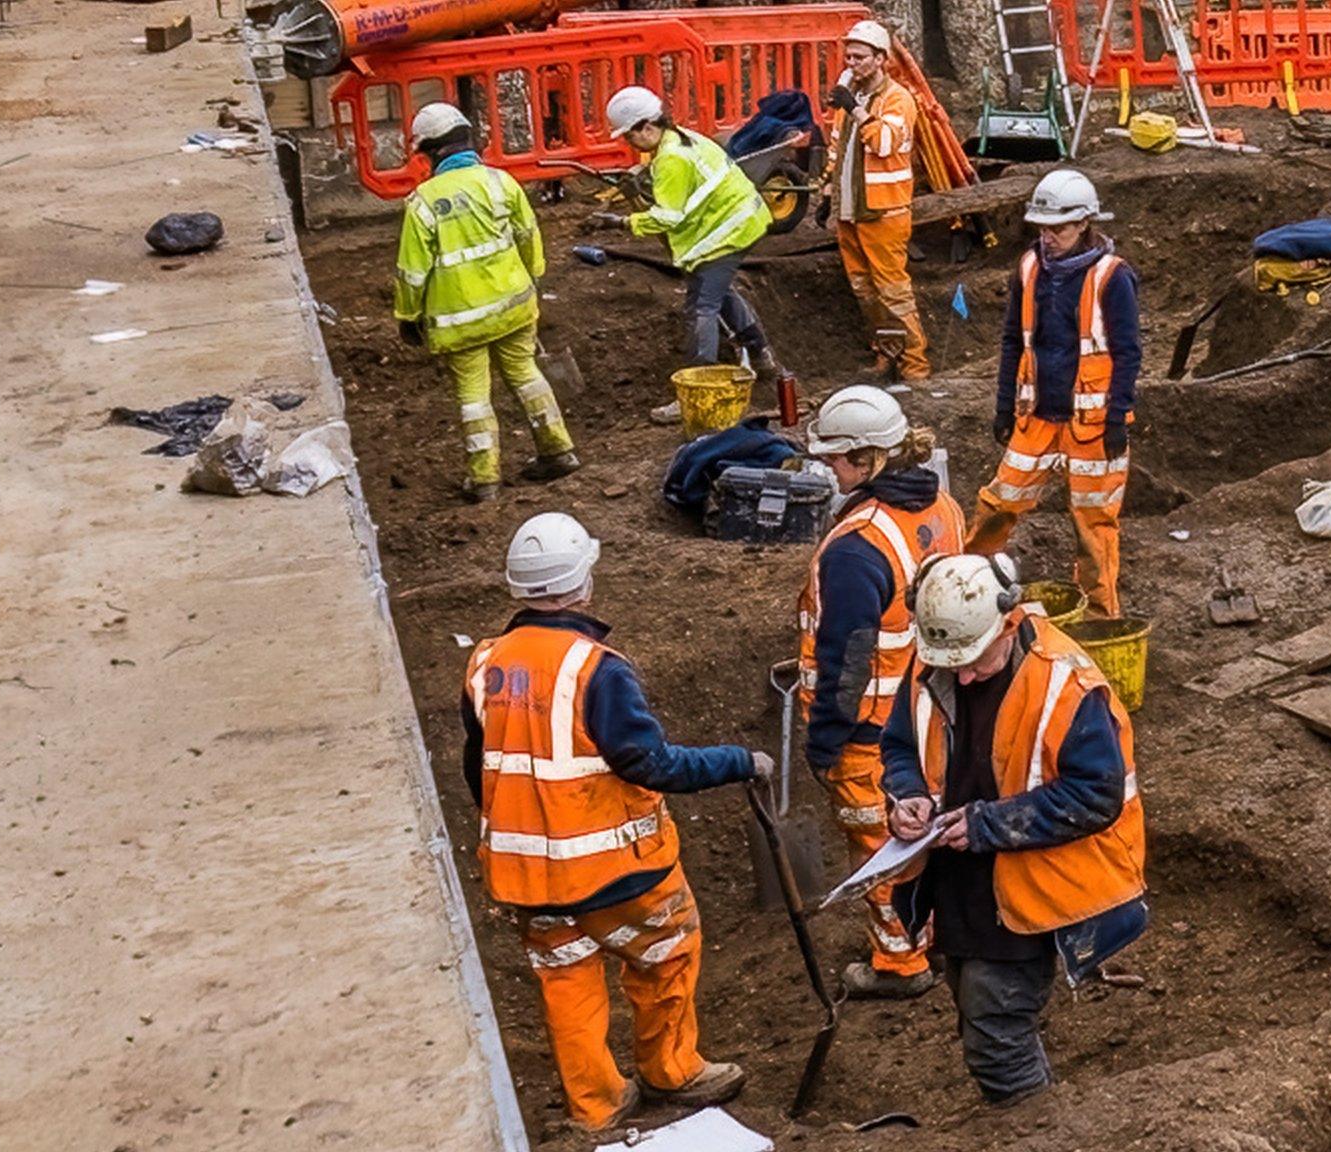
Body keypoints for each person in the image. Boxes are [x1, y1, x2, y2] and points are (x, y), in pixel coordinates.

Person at [463, 512, 772, 1133]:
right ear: (582, 583)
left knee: (567, 977)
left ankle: (597, 1106)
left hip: (525, 874)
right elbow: (649, 761)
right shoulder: (596, 668)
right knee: (667, 950)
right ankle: (671, 1069)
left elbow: (481, 764)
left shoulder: (484, 663)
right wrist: (738, 760)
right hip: (617, 870)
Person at [880, 553, 1148, 1103]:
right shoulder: (942, 653)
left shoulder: (1067, 686)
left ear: (1008, 621)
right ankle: (1043, 1115)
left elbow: (1097, 795)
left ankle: (1034, 1126)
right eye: (952, 664)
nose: (965, 676)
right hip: (962, 879)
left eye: (975, 662)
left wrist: (989, 823)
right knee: (977, 1005)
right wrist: (907, 794)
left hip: (1034, 891)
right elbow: (901, 744)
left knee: (995, 1038)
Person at [796, 386, 964, 999]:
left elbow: (847, 661)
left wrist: (824, 744)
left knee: (883, 843)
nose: (829, 470)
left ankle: (901, 962)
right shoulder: (942, 506)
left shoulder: (857, 547)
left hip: (872, 729)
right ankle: (944, 934)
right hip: (937, 711)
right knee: (933, 826)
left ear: (869, 460)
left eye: (837, 459)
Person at [966, 170, 1140, 618]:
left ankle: (1100, 618)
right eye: (1042, 228)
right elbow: (1012, 340)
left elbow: (1127, 353)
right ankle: (968, 592)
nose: (1048, 237)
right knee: (998, 503)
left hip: (1093, 424)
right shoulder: (1029, 267)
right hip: (1036, 415)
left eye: (1058, 228)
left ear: (1084, 222)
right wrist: (1005, 405)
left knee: (1093, 524)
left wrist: (1117, 417)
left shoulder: (1112, 277)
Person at [394, 101, 579, 503]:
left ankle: (485, 480)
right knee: (526, 375)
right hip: (514, 306)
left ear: (431, 151)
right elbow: (528, 236)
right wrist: (532, 278)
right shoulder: (501, 182)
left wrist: (408, 316)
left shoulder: (423, 202)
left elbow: (412, 272)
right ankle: (558, 450)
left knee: (474, 397)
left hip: (461, 321)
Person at [596, 86, 786, 381]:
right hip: (739, 221)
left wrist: (621, 222)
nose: (629, 143)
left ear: (647, 127)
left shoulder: (672, 159)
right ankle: (762, 357)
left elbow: (667, 218)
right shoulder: (682, 137)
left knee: (701, 307)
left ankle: (700, 384)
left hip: (728, 231)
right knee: (720, 295)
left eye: (629, 136)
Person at [820, 20, 929, 381]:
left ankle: (915, 366)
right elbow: (837, 150)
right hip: (850, 212)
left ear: (881, 58)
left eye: (860, 57)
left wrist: (855, 108)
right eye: (848, 56)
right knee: (864, 291)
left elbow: (883, 144)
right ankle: (886, 355)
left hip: (883, 212)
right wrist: (827, 192)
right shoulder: (848, 97)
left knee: (893, 292)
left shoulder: (898, 98)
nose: (852, 63)